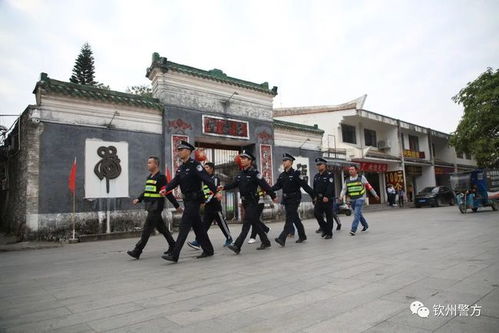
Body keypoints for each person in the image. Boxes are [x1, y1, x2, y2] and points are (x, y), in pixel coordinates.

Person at [160, 141, 218, 263]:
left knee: (184, 226)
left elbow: (206, 179)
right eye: (178, 150)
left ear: (188, 151)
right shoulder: (181, 168)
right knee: (198, 227)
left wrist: (216, 191)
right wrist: (166, 189)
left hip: (195, 200)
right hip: (187, 200)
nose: (179, 152)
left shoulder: (195, 165)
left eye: (181, 150)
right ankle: (208, 250)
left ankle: (175, 254)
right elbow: (175, 181)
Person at [218, 150, 277, 254]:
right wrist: (224, 187)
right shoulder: (240, 174)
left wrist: (273, 195)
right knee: (255, 222)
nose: (242, 160)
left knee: (246, 223)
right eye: (241, 158)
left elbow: (265, 185)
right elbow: (234, 184)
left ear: (250, 161)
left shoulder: (255, 173)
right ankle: (266, 241)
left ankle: (237, 245)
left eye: (244, 158)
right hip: (245, 202)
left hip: (253, 202)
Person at [127, 156, 183, 260]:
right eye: (148, 162)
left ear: (156, 164)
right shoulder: (149, 177)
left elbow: (168, 192)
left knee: (147, 228)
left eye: (149, 163)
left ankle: (137, 251)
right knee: (162, 228)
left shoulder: (161, 177)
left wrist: (176, 205)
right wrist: (139, 199)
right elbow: (146, 191)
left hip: (156, 206)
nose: (147, 164)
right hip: (150, 206)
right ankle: (173, 245)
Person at [187, 162, 233, 250]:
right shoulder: (204, 179)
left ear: (212, 169)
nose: (205, 169)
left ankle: (229, 238)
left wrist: (206, 201)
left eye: (207, 167)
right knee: (204, 226)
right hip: (208, 206)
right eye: (204, 167)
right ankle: (198, 241)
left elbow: (214, 191)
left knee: (222, 224)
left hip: (215, 206)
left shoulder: (215, 178)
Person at [272, 153, 315, 247]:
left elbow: (304, 186)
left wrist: (313, 195)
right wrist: (268, 189)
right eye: (283, 160)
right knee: (295, 218)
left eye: (286, 160)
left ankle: (282, 238)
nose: (284, 162)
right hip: (286, 199)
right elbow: (277, 186)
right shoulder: (282, 175)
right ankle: (302, 236)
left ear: (291, 162)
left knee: (289, 218)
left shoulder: (296, 173)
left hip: (294, 199)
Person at [340, 165, 380, 236]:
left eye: (352, 169)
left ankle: (353, 230)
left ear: (356, 170)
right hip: (352, 199)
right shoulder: (347, 180)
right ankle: (365, 225)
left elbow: (369, 187)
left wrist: (375, 195)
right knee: (358, 214)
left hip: (360, 198)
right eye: (349, 170)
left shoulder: (361, 178)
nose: (350, 171)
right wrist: (341, 197)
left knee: (356, 214)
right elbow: (344, 189)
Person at [312, 158, 336, 239]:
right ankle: (325, 229)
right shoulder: (316, 176)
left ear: (325, 165)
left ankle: (329, 233)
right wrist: (314, 197)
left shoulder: (330, 175)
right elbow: (314, 188)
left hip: (327, 199)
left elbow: (330, 186)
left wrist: (327, 196)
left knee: (329, 216)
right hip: (318, 199)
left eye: (320, 164)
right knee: (316, 213)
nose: (318, 166)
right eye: (317, 165)